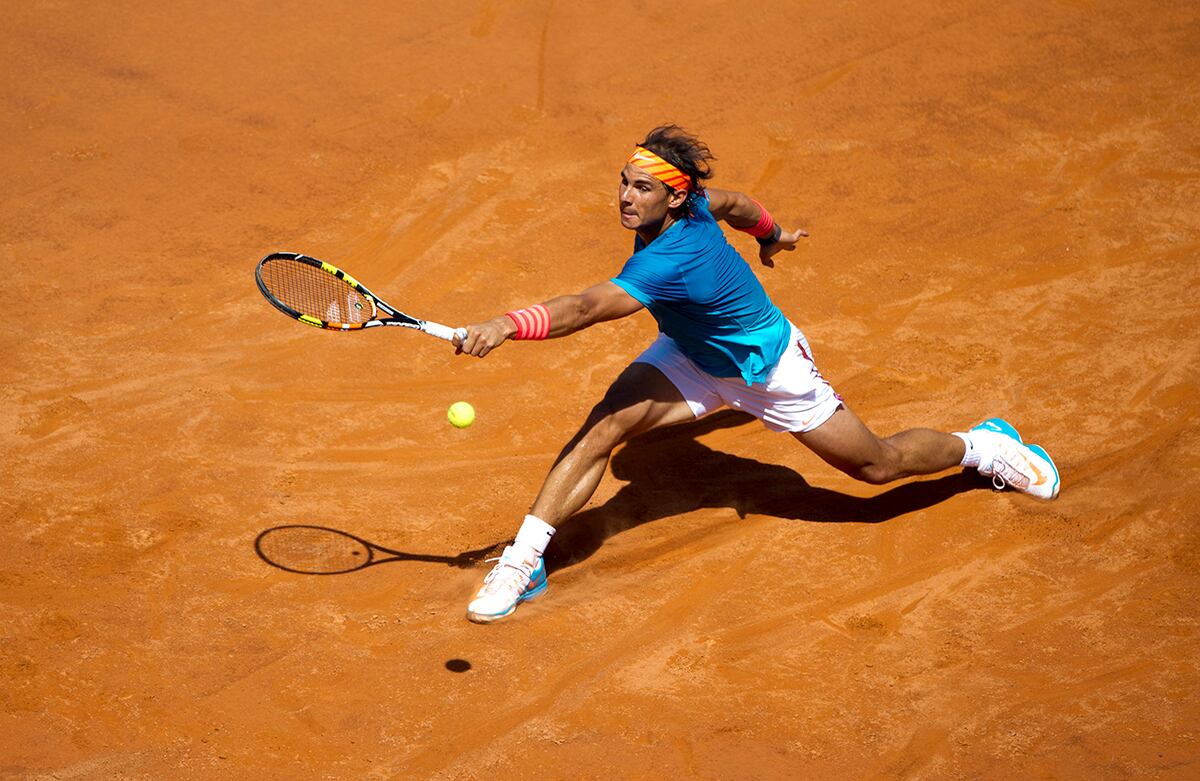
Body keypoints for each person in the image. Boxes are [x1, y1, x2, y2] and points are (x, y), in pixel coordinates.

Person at [453, 125, 1059, 624]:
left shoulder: (672, 253)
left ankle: (984, 446)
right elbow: (738, 204)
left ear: (673, 198)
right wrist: (773, 237)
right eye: (623, 182)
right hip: (689, 357)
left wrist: (506, 324)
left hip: (768, 372)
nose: (625, 196)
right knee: (600, 433)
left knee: (878, 469)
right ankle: (524, 561)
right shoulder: (698, 206)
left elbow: (587, 308)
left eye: (642, 188)